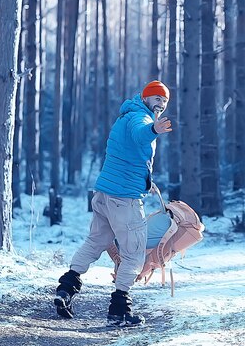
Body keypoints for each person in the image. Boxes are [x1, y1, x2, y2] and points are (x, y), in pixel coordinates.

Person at [54, 80, 172, 327]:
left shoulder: (125, 115)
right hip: (124, 199)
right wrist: (153, 131)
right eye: (157, 98)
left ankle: (66, 288)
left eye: (165, 100)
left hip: (104, 193)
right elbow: (140, 135)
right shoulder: (140, 119)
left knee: (96, 241)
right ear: (145, 98)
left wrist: (146, 180)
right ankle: (119, 310)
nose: (161, 103)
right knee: (134, 254)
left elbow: (130, 153)